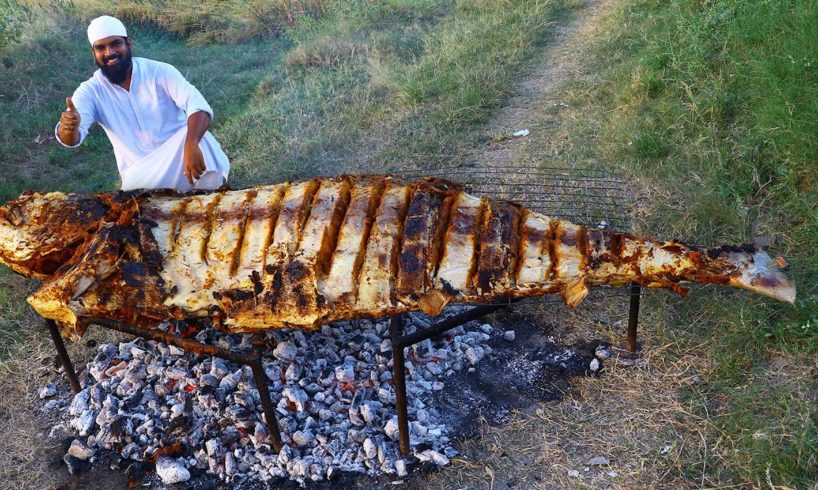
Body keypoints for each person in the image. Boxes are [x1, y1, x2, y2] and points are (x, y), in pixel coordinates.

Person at [55, 15, 230, 191]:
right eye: (101, 48)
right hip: (140, 175)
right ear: (94, 53)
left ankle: (210, 198)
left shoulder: (159, 72)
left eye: (116, 43)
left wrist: (191, 143)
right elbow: (71, 139)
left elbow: (198, 105)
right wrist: (68, 128)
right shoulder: (90, 91)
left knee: (200, 138)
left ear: (128, 43)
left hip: (179, 159)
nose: (109, 52)